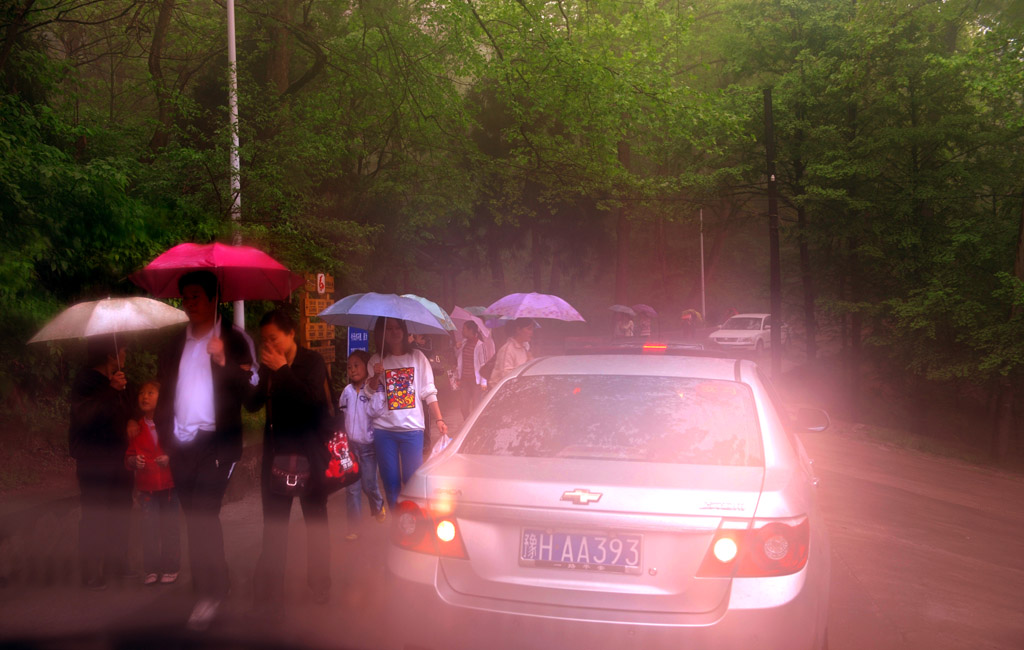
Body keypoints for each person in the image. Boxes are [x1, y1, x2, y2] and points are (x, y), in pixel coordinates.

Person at [154, 270, 254, 630]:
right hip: (182, 445)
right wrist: (166, 438)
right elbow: (165, 390)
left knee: (202, 514)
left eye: (196, 296)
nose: (189, 303)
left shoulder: (235, 341)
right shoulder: (172, 343)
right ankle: (212, 582)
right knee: (194, 516)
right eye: (186, 297)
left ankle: (211, 591)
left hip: (218, 445)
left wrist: (225, 363)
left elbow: (253, 398)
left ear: (214, 299)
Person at [246, 308, 332, 605]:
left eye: (274, 338)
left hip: (311, 456)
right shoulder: (269, 365)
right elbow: (252, 405)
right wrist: (250, 374)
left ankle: (320, 585)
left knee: (316, 523)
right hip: (276, 458)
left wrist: (283, 370)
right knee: (274, 528)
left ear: (291, 333)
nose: (269, 346)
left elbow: (312, 403)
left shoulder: (313, 362)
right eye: (264, 340)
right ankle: (269, 593)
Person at [69, 335, 133, 590]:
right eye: (124, 351)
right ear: (111, 354)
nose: (125, 356)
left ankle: (116, 565)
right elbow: (86, 416)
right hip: (93, 458)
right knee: (94, 513)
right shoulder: (85, 380)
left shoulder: (116, 379)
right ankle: (90, 571)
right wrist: (110, 390)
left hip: (118, 455)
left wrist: (131, 419)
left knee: (121, 508)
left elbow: (126, 412)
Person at [366, 318, 449, 509]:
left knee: (412, 480)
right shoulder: (376, 360)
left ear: (404, 331)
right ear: (383, 333)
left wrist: (439, 419)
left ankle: (414, 524)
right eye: (390, 329)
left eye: (398, 328)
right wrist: (376, 376)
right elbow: (369, 394)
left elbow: (428, 391)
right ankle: (398, 525)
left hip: (412, 429)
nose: (394, 332)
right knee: (391, 481)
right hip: (384, 430)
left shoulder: (418, 357)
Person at [125, 380, 180, 586]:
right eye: (141, 392)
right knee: (148, 528)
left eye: (150, 392)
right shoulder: (136, 428)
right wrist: (133, 461)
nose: (144, 396)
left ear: (161, 397)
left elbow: (180, 448)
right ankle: (151, 569)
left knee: (170, 527)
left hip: (169, 485)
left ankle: (172, 566)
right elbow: (128, 455)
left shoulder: (171, 423)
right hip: (146, 486)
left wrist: (170, 458)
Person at [341, 350, 386, 540]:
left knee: (369, 484)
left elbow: (376, 411)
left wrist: (374, 384)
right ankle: (354, 528)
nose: (352, 370)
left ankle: (377, 505)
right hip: (349, 447)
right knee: (351, 488)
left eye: (357, 365)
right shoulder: (347, 391)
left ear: (366, 367)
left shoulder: (376, 388)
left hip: (368, 447)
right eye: (349, 366)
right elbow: (342, 415)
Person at [455, 321, 488, 418]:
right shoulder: (463, 343)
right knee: (464, 408)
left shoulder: (480, 345)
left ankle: (475, 429)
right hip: (465, 381)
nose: (462, 331)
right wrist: (457, 348)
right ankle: (467, 426)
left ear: (470, 330)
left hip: (476, 382)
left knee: (476, 407)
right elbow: (459, 360)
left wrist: (484, 382)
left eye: (464, 329)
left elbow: (483, 364)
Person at [489, 318, 535, 386]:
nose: (531, 332)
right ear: (518, 330)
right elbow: (506, 375)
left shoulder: (524, 348)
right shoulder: (507, 350)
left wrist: (530, 360)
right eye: (529, 328)